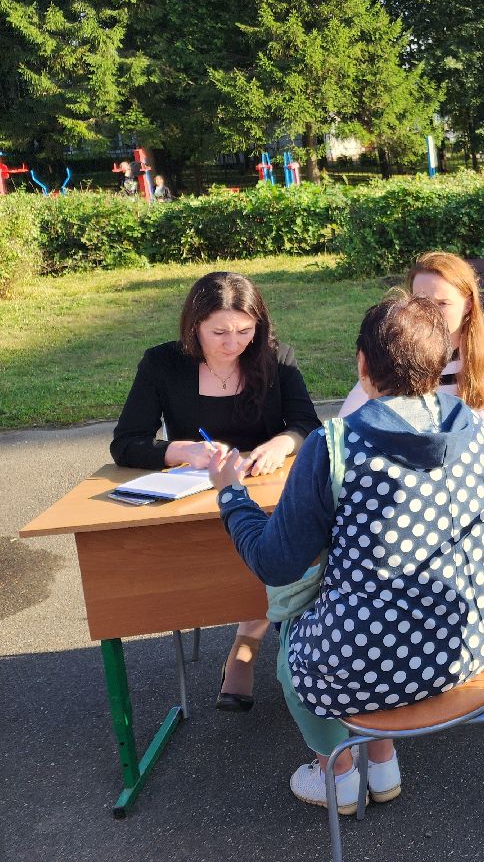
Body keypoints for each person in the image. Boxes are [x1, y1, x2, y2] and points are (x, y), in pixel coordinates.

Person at [209, 294, 484, 812]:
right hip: (475, 641)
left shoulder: (337, 444)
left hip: (373, 662)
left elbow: (275, 562)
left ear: (363, 365)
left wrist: (231, 494)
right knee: (376, 601)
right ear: (441, 361)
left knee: (290, 619)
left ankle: (339, 774)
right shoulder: (473, 422)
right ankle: (383, 760)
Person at [111, 271, 321, 713]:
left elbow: (306, 424)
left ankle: (246, 643)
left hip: (266, 496)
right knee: (231, 560)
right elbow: (126, 441)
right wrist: (180, 449)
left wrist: (281, 444)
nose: (234, 344)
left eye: (245, 331)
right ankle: (252, 642)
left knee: (283, 545)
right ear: (195, 327)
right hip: (197, 501)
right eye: (219, 332)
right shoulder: (163, 364)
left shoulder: (276, 358)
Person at [337, 250, 484, 430]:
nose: (429, 314)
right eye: (420, 302)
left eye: (442, 304)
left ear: (468, 305)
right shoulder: (397, 343)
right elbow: (346, 421)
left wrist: (466, 423)